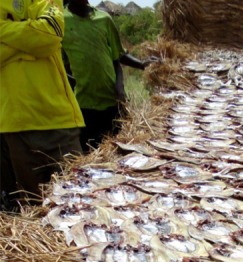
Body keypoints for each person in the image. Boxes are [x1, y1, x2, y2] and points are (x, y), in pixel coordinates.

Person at [0, 0, 84, 208]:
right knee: (37, 211)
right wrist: (30, 46)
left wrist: (3, 30)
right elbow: (41, 40)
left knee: (79, 204)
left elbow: (50, 33)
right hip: (15, 124)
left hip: (58, 121)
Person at [62, 0, 148, 151]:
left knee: (119, 151)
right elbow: (62, 63)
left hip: (112, 100)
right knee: (91, 154)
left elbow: (117, 56)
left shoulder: (104, 19)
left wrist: (139, 67)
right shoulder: (62, 21)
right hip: (84, 103)